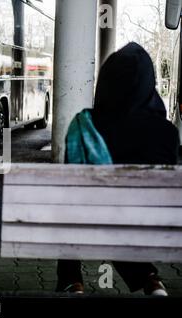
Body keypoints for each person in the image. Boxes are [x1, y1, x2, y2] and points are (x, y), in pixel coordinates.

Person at [57, 42, 180, 296]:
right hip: (154, 232)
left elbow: (71, 186)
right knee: (122, 218)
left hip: (88, 225)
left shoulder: (83, 124)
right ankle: (150, 280)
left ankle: (72, 281)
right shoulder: (168, 133)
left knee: (75, 210)